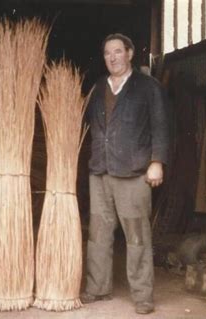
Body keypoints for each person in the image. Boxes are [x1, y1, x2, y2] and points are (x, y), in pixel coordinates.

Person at [82, 34, 169, 314]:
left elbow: (161, 126)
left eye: (118, 51)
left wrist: (157, 161)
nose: (113, 57)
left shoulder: (147, 87)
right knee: (98, 234)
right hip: (101, 171)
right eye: (108, 53)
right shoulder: (97, 87)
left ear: (130, 53)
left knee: (137, 236)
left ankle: (142, 296)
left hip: (132, 173)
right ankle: (98, 288)